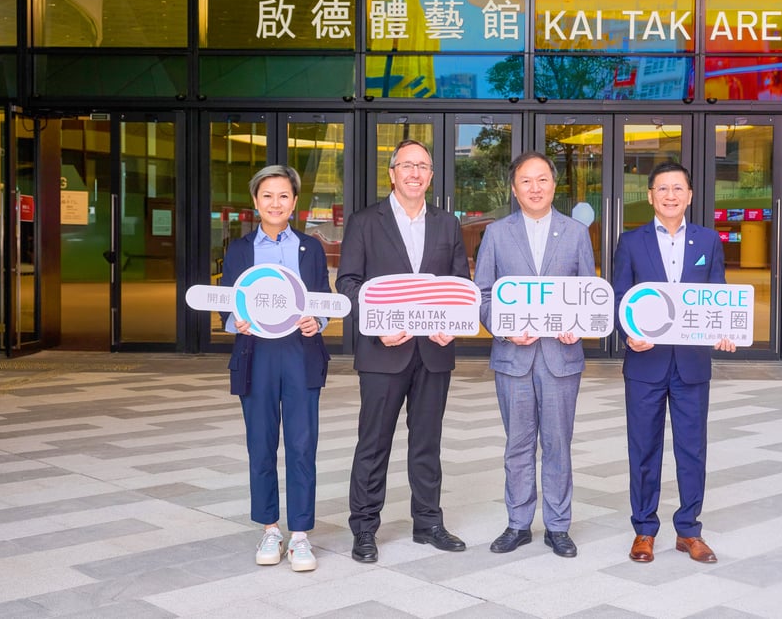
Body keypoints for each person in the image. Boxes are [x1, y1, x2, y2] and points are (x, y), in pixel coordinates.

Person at [336, 139, 470, 563]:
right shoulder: (364, 222)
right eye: (406, 165)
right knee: (373, 442)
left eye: (423, 166)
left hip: (433, 352)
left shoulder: (447, 223)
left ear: (431, 176)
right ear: (392, 173)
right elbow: (349, 283)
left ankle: (428, 523)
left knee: (427, 443)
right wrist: (380, 326)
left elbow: (459, 285)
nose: (415, 173)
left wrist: (451, 325)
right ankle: (364, 528)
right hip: (382, 352)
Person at [611, 161, 736, 565]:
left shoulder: (708, 241)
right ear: (650, 196)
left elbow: (718, 294)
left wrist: (725, 329)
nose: (670, 195)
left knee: (692, 449)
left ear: (689, 195)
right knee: (643, 449)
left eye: (677, 188)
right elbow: (619, 298)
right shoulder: (631, 242)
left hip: (692, 364)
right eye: (662, 188)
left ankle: (689, 530)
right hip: (645, 363)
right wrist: (627, 332)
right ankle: (644, 530)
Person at [474, 151, 596, 558]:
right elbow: (483, 295)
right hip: (514, 357)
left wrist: (577, 323)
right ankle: (518, 523)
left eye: (542, 179)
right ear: (514, 188)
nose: (534, 187)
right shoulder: (496, 233)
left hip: (561, 357)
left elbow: (589, 297)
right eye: (526, 181)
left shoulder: (576, 233)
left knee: (558, 443)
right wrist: (506, 327)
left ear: (554, 185)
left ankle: (559, 526)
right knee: (518, 444)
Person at [221, 165, 331, 573]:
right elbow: (226, 306)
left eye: (283, 195)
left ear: (295, 202)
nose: (275, 203)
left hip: (300, 355)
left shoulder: (311, 248)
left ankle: (301, 535)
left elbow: (323, 300)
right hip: (256, 356)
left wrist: (315, 320)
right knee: (261, 445)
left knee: (302, 446)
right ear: (256, 201)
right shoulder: (239, 250)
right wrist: (237, 321)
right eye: (267, 195)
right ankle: (270, 528)